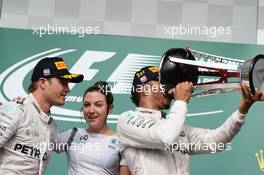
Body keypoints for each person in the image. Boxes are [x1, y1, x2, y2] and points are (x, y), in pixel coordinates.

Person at [117, 66, 264, 175]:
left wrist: (243, 109)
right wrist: (181, 101)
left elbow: (215, 143)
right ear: (144, 89)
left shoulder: (174, 126)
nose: (169, 85)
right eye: (162, 81)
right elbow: (164, 137)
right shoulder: (127, 120)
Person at [0, 57, 84, 174]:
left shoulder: (50, 125)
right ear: (43, 82)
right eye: (63, 83)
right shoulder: (16, 110)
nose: (68, 89)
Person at [56, 81, 131, 175]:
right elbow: (39, 145)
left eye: (98, 105)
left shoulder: (121, 142)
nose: (91, 111)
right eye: (87, 105)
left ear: (110, 108)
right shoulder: (73, 134)